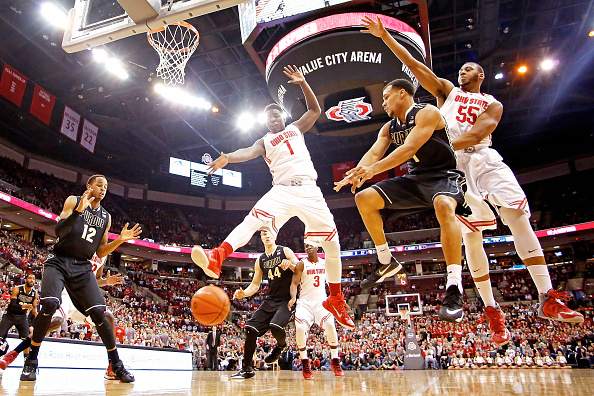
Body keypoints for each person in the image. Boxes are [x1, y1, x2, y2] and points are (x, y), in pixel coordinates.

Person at [360, 15, 583, 333]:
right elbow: (414, 65)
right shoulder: (446, 93)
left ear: (481, 75)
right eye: (461, 68)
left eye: (470, 68)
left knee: (517, 215)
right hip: (454, 169)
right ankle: (492, 310)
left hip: (483, 159)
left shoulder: (493, 103)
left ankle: (547, 296)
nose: (464, 70)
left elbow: (479, 133)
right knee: (471, 235)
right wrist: (385, 37)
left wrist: (429, 141)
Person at [191, 66, 354, 330]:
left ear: (282, 115)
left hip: (310, 191)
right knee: (251, 221)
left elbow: (315, 111)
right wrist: (229, 157)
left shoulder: (296, 128)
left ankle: (335, 297)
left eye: (274, 115)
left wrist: (303, 83)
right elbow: (248, 151)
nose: (271, 120)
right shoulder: (264, 141)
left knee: (333, 247)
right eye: (267, 119)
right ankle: (218, 256)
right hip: (282, 189)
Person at [334, 77, 471, 323]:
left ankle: (454, 287)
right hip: (415, 179)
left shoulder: (427, 112)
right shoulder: (388, 128)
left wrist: (372, 171)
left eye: (386, 96)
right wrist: (356, 172)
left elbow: (408, 149)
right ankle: (385, 260)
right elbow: (374, 152)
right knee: (364, 198)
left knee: (442, 205)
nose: (383, 102)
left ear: (402, 94)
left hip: (443, 176)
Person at [7, 175, 141, 382]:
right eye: (99, 185)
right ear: (89, 186)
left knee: (100, 313)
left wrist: (120, 240)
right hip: (59, 260)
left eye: (106, 187)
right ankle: (31, 360)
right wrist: (79, 211)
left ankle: (116, 364)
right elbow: (59, 231)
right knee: (50, 305)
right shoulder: (73, 200)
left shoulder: (106, 217)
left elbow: (101, 250)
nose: (103, 189)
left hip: (82, 266)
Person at [0, 254, 124, 380]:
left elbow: (95, 280)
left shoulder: (103, 255)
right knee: (55, 321)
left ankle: (111, 366)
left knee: (108, 317)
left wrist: (106, 282)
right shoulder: (84, 245)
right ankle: (13, 353)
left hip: (83, 296)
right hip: (67, 294)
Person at [230, 230, 301, 379]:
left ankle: (281, 346)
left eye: (269, 233)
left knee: (275, 326)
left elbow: (301, 271)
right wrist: (244, 293)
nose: (267, 236)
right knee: (250, 328)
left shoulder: (285, 251)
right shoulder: (260, 260)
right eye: (263, 234)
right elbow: (255, 285)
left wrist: (291, 266)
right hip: (271, 300)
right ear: (261, 238)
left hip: (287, 299)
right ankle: (247, 368)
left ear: (275, 236)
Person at [290, 242, 344, 380]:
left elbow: (332, 281)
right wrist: (293, 297)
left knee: (331, 326)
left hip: (321, 301)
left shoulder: (325, 263)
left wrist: (337, 298)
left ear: (317, 247)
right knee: (300, 328)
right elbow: (294, 283)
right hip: (305, 302)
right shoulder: (301, 264)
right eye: (306, 246)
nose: (308, 247)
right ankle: (305, 362)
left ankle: (335, 360)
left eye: (311, 245)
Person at [0, 274, 38, 359]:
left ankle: (26, 360)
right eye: (30, 278)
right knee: (0, 336)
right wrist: (24, 306)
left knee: (27, 340)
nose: (32, 280)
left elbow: (34, 309)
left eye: (33, 279)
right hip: (10, 315)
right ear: (25, 280)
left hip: (22, 317)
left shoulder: (34, 293)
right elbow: (13, 305)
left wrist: (37, 314)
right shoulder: (17, 289)